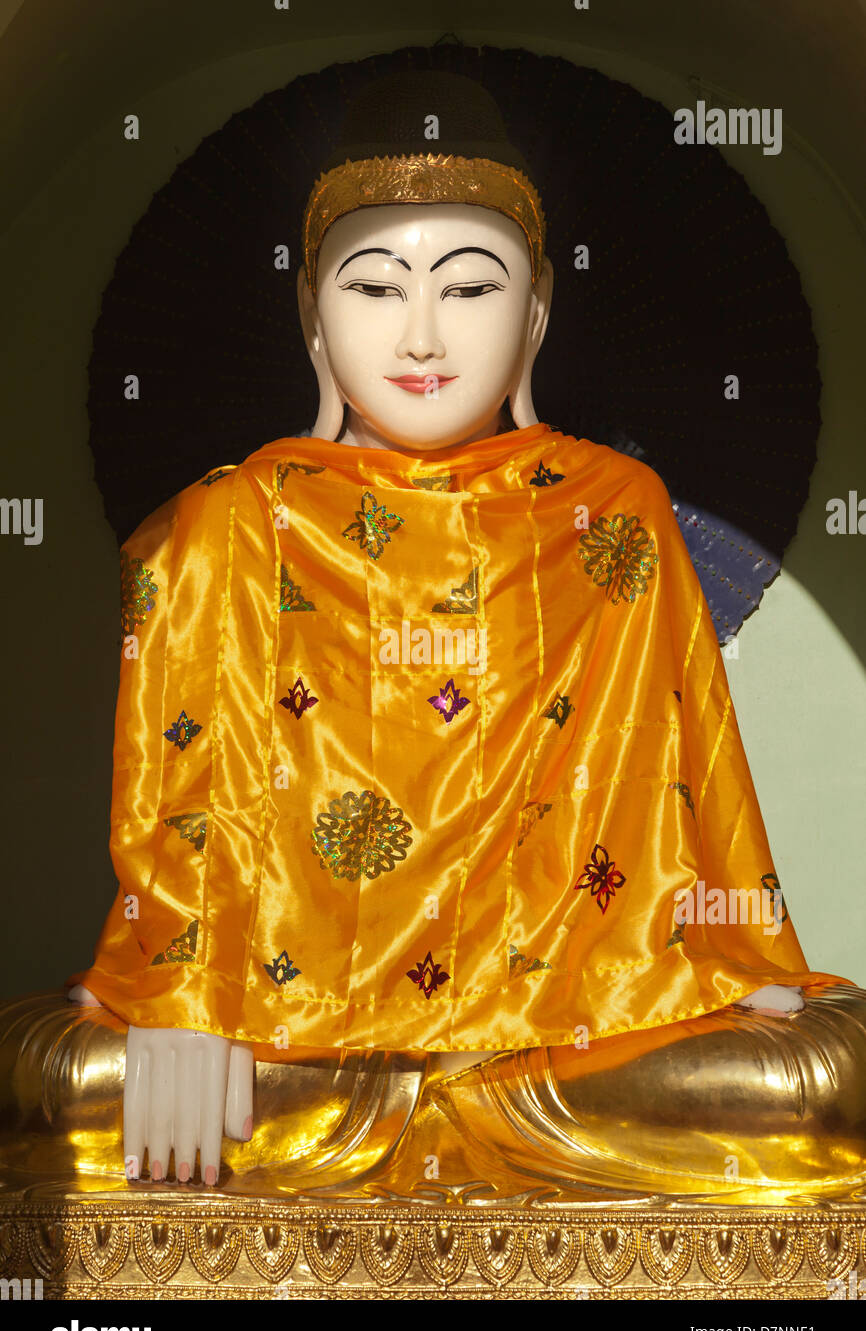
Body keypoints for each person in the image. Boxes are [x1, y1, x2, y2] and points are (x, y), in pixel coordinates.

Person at [63, 70, 858, 1189]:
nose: (423, 333)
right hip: (299, 1042)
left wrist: (724, 976)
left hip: (561, 1040)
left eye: (471, 288)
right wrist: (183, 999)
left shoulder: (611, 508)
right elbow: (189, 811)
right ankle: (408, 1101)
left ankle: (448, 1101)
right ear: (313, 321)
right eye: (376, 288)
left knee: (816, 1083)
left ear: (535, 317)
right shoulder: (236, 520)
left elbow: (680, 814)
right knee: (68, 1087)